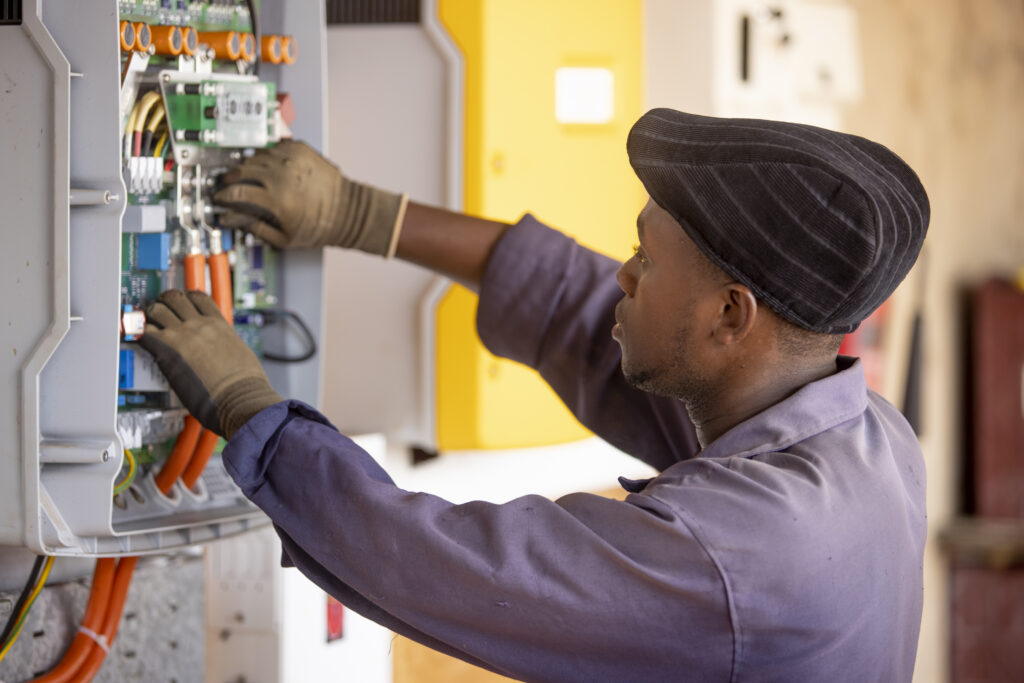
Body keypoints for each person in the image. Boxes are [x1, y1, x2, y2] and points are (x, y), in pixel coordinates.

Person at [140, 109, 930, 682]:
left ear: (731, 313)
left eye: (644, 261)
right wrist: (360, 213)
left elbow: (440, 568)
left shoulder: (738, 558)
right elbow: (580, 313)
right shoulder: (866, 437)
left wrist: (251, 409)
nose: (622, 274)